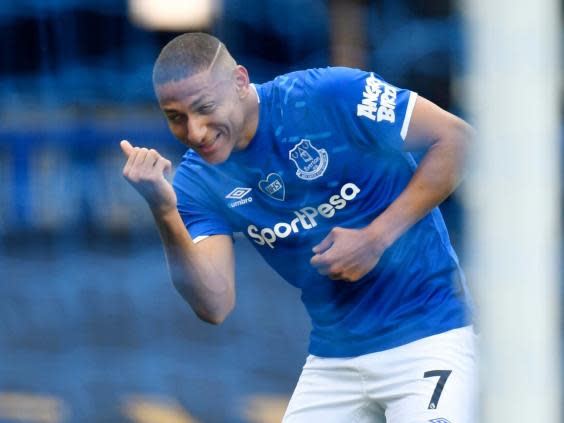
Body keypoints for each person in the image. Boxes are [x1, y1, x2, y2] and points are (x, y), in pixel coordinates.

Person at [120, 32, 476, 422]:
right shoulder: (198, 181)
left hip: (429, 335)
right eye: (176, 117)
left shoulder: (331, 94)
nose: (195, 131)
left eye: (204, 108)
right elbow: (215, 304)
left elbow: (457, 140)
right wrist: (164, 210)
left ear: (240, 81)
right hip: (334, 358)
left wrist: (376, 237)